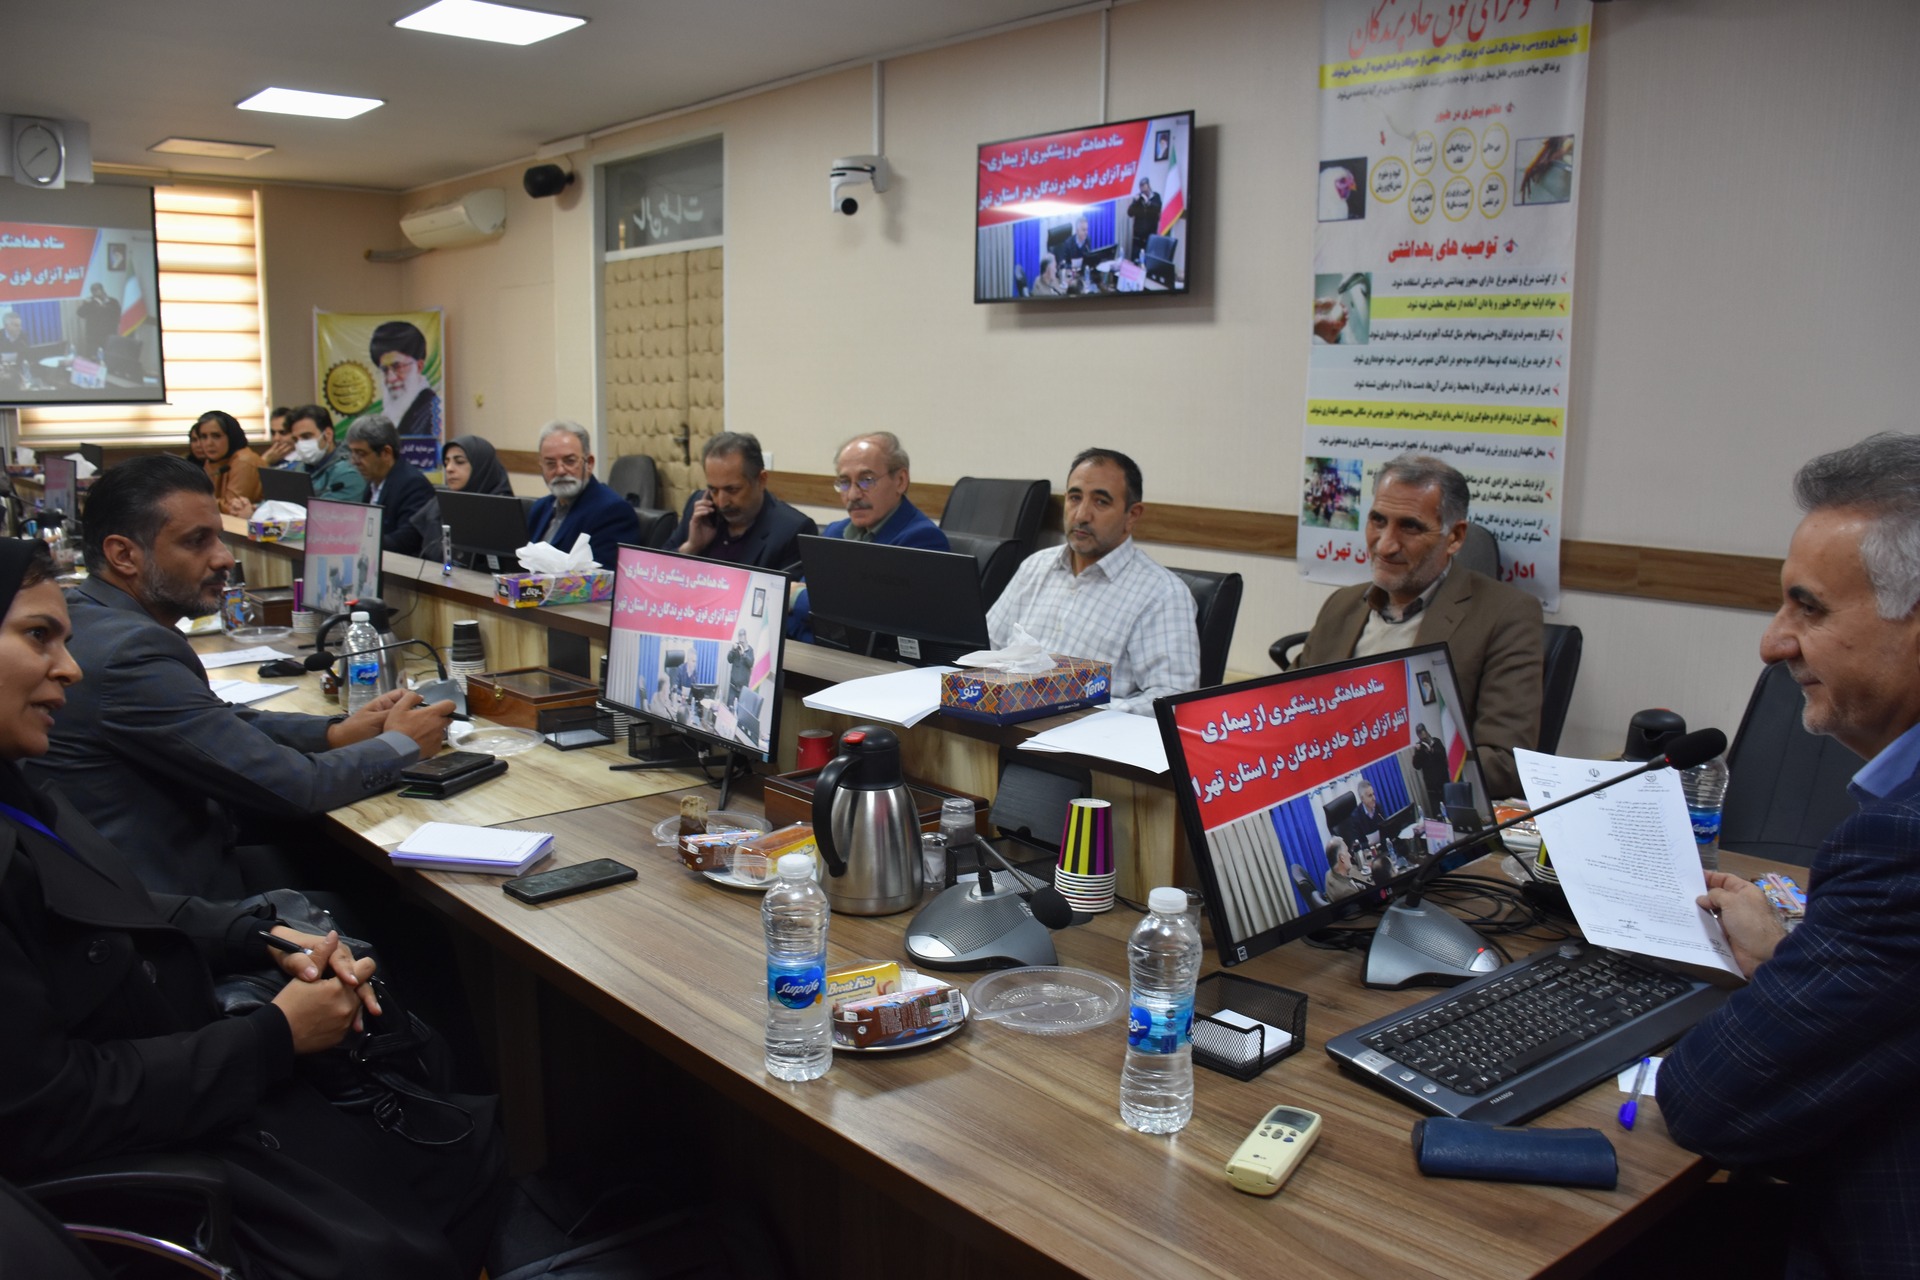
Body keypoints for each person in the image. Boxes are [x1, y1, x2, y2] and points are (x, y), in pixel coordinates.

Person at [0, 538, 502, 1278]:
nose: (70, 669)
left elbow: (111, 907)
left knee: (459, 1134)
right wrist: (275, 1036)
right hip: (165, 1166)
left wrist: (256, 933)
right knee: (450, 1159)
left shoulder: (15, 787)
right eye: (39, 637)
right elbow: (52, 1109)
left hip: (182, 1073)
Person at [1658, 433, 1920, 1279]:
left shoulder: (1902, 845)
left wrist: (1777, 980)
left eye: (1809, 609)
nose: (1774, 644)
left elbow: (1710, 1100)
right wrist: (1789, 958)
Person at [24, 456, 453, 897]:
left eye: (219, 537)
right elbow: (297, 786)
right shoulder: (129, 654)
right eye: (197, 541)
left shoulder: (87, 616)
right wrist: (402, 745)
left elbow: (212, 721)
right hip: (169, 901)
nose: (225, 557)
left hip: (148, 869)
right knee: (403, 907)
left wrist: (334, 733)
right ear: (123, 555)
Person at [1296, 454, 1543, 799]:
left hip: (1419, 801)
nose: (1385, 545)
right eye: (1378, 520)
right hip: (1324, 794)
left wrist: (1377, 771)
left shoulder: (1506, 614)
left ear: (1455, 537)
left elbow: (1505, 763)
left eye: (1410, 527)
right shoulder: (1342, 606)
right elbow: (1290, 715)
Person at [987, 448, 1200, 716]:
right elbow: (986, 647)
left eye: (1101, 502)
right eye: (1075, 498)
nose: (1081, 515)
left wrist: (1078, 708)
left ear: (1132, 515)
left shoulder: (1162, 594)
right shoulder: (1036, 566)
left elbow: (1174, 699)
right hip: (1001, 722)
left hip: (1084, 735)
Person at [787, 431, 949, 642]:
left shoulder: (921, 539)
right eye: (844, 482)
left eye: (866, 480)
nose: (853, 495)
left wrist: (798, 598)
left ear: (900, 481)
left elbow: (869, 624)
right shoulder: (834, 532)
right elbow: (795, 620)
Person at [669, 431, 818, 573]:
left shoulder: (792, 530)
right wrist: (691, 547)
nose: (721, 503)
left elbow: (791, 589)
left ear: (761, 480)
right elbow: (659, 571)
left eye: (732, 490)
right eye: (713, 490)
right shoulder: (700, 509)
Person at [522, 420, 641, 569]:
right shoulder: (540, 508)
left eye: (569, 461)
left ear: (589, 463)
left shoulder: (612, 511)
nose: (560, 471)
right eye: (550, 463)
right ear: (541, 467)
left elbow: (602, 577)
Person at [226, 404, 368, 519]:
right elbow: (282, 500)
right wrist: (252, 508)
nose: (301, 444)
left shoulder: (349, 472)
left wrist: (256, 515)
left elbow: (321, 518)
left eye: (306, 436)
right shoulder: (302, 467)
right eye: (296, 439)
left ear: (328, 435)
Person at [410, 433, 515, 557]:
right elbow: (408, 540)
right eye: (446, 462)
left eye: (459, 462)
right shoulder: (441, 502)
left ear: (481, 466)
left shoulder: (501, 509)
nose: (449, 469)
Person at [346, 414, 436, 554]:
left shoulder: (413, 484)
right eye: (352, 453)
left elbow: (407, 541)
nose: (354, 461)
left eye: (361, 454)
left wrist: (360, 542)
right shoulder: (372, 483)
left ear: (386, 453)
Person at [369, 320, 441, 442]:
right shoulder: (387, 416)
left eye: (397, 367)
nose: (390, 378)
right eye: (385, 370)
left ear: (419, 366)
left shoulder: (432, 411)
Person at [193, 410, 266, 515]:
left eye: (216, 436)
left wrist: (203, 502)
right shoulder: (213, 460)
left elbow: (233, 508)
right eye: (204, 437)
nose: (209, 443)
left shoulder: (244, 461)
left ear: (231, 436)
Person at [1411, 723, 1450, 816]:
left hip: (1443, 782)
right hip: (1431, 787)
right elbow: (1417, 766)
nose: (1421, 735)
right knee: (1437, 812)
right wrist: (1418, 752)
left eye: (1422, 732)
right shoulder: (1420, 748)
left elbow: (1443, 755)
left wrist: (1432, 750)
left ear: (1426, 731)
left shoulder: (1436, 742)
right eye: (1419, 734)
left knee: (1449, 807)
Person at [74, 282, 120, 360]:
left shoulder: (113, 302)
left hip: (109, 335)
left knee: (109, 358)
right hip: (93, 337)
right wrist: (85, 304)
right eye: (93, 291)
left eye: (97, 290)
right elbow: (80, 313)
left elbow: (117, 315)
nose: (95, 292)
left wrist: (103, 307)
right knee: (93, 359)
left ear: (102, 290)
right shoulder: (90, 302)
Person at [1128, 178, 1162, 263]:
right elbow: (1130, 213)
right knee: (1135, 260)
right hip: (1138, 236)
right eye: (1140, 186)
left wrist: (1148, 202)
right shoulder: (1138, 198)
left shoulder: (1156, 196)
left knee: (1148, 260)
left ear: (1148, 185)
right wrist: (1134, 202)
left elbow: (1157, 209)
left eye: (1143, 185)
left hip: (1150, 235)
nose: (1142, 188)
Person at [725, 628, 755, 711]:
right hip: (733, 687)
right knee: (729, 710)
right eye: (739, 635)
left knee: (740, 711)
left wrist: (743, 654)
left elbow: (751, 663)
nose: (741, 637)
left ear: (745, 637)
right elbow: (729, 660)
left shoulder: (750, 650)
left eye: (742, 635)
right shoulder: (735, 648)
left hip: (743, 689)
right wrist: (732, 650)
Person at [261, 404, 297, 469]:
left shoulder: (305, 461)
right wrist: (265, 461)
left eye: (283, 432)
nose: (276, 438)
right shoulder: (270, 458)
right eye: (273, 433)